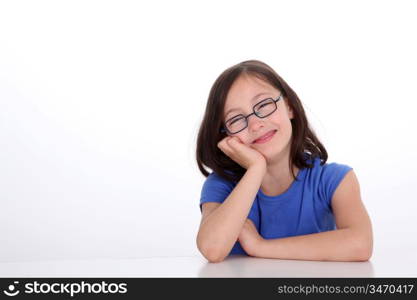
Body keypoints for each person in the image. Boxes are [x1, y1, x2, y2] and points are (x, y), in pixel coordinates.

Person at [195, 59, 373, 263]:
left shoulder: (335, 180)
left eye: (264, 105)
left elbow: (360, 244)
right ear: (225, 136)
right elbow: (212, 249)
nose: (255, 124)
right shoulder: (222, 186)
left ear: (289, 107)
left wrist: (260, 246)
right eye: (236, 119)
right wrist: (256, 168)